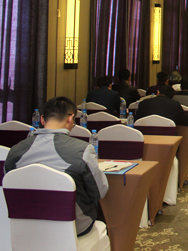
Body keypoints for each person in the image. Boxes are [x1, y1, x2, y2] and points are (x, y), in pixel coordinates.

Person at [4, 97, 109, 236]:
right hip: (72, 227)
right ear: (70, 118)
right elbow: (99, 192)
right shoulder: (83, 150)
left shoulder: (15, 150)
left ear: (42, 119)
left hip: (24, 227)